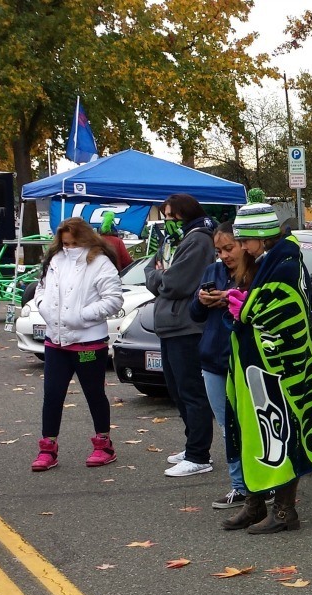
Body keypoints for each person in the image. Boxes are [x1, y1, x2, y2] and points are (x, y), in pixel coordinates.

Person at [221, 202, 312, 534]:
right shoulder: (270, 261)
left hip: (278, 369)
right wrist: (244, 305)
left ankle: (285, 513)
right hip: (256, 367)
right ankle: (255, 504)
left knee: (280, 434)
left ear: (260, 235)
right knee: (253, 433)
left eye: (245, 240)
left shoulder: (285, 263)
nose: (242, 246)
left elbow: (283, 313)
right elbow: (262, 306)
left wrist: (246, 310)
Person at [30, 217, 123, 471]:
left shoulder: (100, 262)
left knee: (94, 394)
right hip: (55, 342)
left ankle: (103, 444)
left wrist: (80, 315)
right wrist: (44, 307)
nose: (69, 248)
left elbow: (114, 300)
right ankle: (47, 448)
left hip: (88, 344)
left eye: (74, 243)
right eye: (65, 243)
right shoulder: (55, 260)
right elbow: (41, 289)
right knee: (52, 395)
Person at [145, 193, 214, 477]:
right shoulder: (175, 240)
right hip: (170, 325)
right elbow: (152, 268)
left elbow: (175, 282)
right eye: (165, 216)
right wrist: (160, 276)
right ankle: (192, 445)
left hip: (186, 326)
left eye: (172, 216)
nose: (167, 221)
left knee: (190, 391)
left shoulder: (198, 240)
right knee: (176, 390)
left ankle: (199, 455)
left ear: (185, 214)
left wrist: (160, 277)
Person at [190, 222, 253, 509]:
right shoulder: (212, 272)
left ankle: (265, 484)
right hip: (213, 359)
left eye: (229, 248)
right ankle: (239, 487)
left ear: (243, 245)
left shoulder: (256, 272)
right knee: (228, 427)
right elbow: (195, 314)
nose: (224, 256)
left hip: (246, 361)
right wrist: (202, 300)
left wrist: (234, 301)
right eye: (219, 251)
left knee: (252, 425)